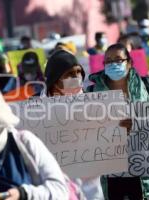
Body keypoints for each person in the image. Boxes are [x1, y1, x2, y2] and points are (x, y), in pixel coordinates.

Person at [87, 44, 149, 200]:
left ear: (129, 62)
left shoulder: (148, 85)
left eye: (118, 59)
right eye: (108, 60)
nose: (113, 64)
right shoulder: (92, 92)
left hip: (142, 165)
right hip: (111, 166)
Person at [39, 49, 104, 199]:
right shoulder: (34, 108)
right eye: (69, 74)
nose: (76, 77)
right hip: (56, 185)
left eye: (78, 72)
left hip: (91, 188)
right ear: (55, 79)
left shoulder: (96, 103)